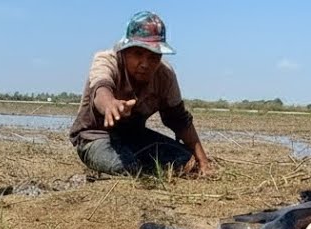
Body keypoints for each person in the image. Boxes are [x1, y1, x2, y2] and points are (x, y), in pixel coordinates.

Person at [69, 11, 212, 177]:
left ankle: (141, 164)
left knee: (186, 162)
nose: (145, 64)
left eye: (153, 57)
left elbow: (179, 120)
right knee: (126, 167)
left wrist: (203, 161)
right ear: (125, 50)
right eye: (138, 54)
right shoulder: (107, 60)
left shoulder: (164, 75)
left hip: (135, 138)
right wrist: (110, 105)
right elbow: (101, 89)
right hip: (95, 137)